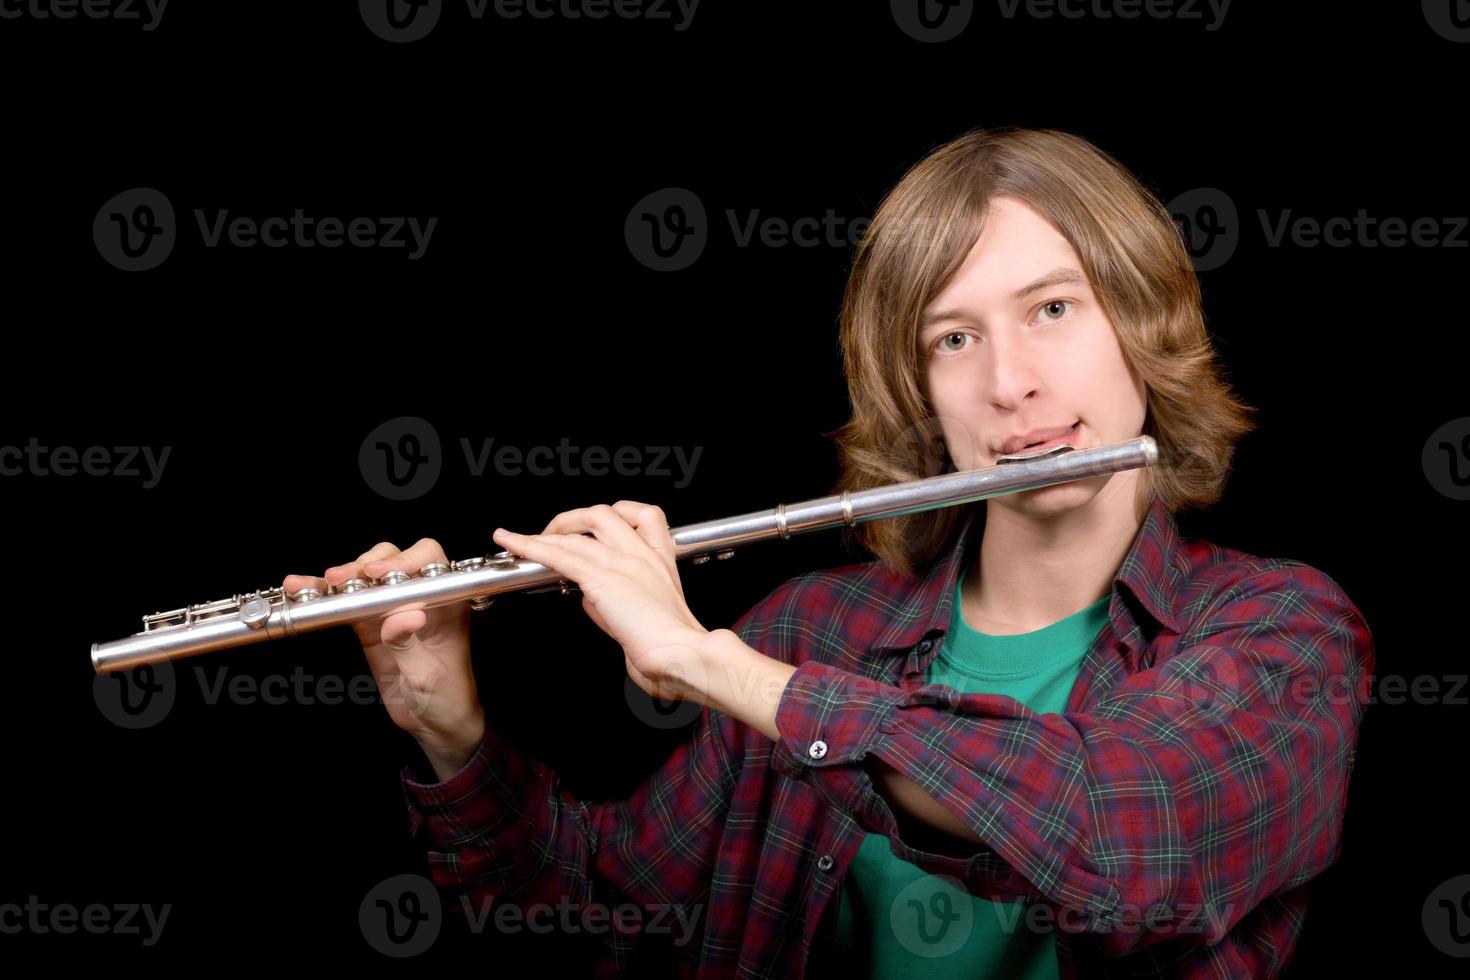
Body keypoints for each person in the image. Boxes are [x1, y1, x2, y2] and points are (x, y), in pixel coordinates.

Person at [283, 126, 1374, 978]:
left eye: (1052, 307)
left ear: (1141, 320)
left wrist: (713, 662)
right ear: (922, 388)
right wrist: (449, 724)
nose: (1009, 382)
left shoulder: (1281, 629)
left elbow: (1118, 834)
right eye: (955, 336)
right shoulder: (819, 627)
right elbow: (602, 915)